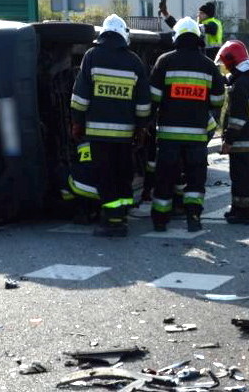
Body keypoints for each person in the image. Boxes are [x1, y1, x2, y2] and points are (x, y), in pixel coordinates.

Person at [70, 14, 151, 237]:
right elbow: (143, 102)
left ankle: (112, 221)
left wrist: (77, 122)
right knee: (123, 174)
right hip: (125, 135)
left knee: (105, 177)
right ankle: (122, 214)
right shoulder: (134, 61)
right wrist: (141, 127)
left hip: (97, 133)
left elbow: (80, 96)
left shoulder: (92, 57)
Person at [147, 17, 226, 233]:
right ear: (198, 39)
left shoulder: (164, 61)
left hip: (169, 137)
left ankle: (160, 220)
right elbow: (218, 100)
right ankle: (193, 218)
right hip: (197, 138)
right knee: (195, 180)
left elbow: (153, 97)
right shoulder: (209, 66)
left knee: (164, 178)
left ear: (177, 37)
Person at [216, 40, 249, 225]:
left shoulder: (240, 86)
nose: (226, 68)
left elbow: (237, 118)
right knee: (242, 175)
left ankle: (246, 214)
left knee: (241, 177)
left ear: (232, 62)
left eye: (226, 64)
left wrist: (228, 140)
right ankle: (239, 209)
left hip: (241, 139)